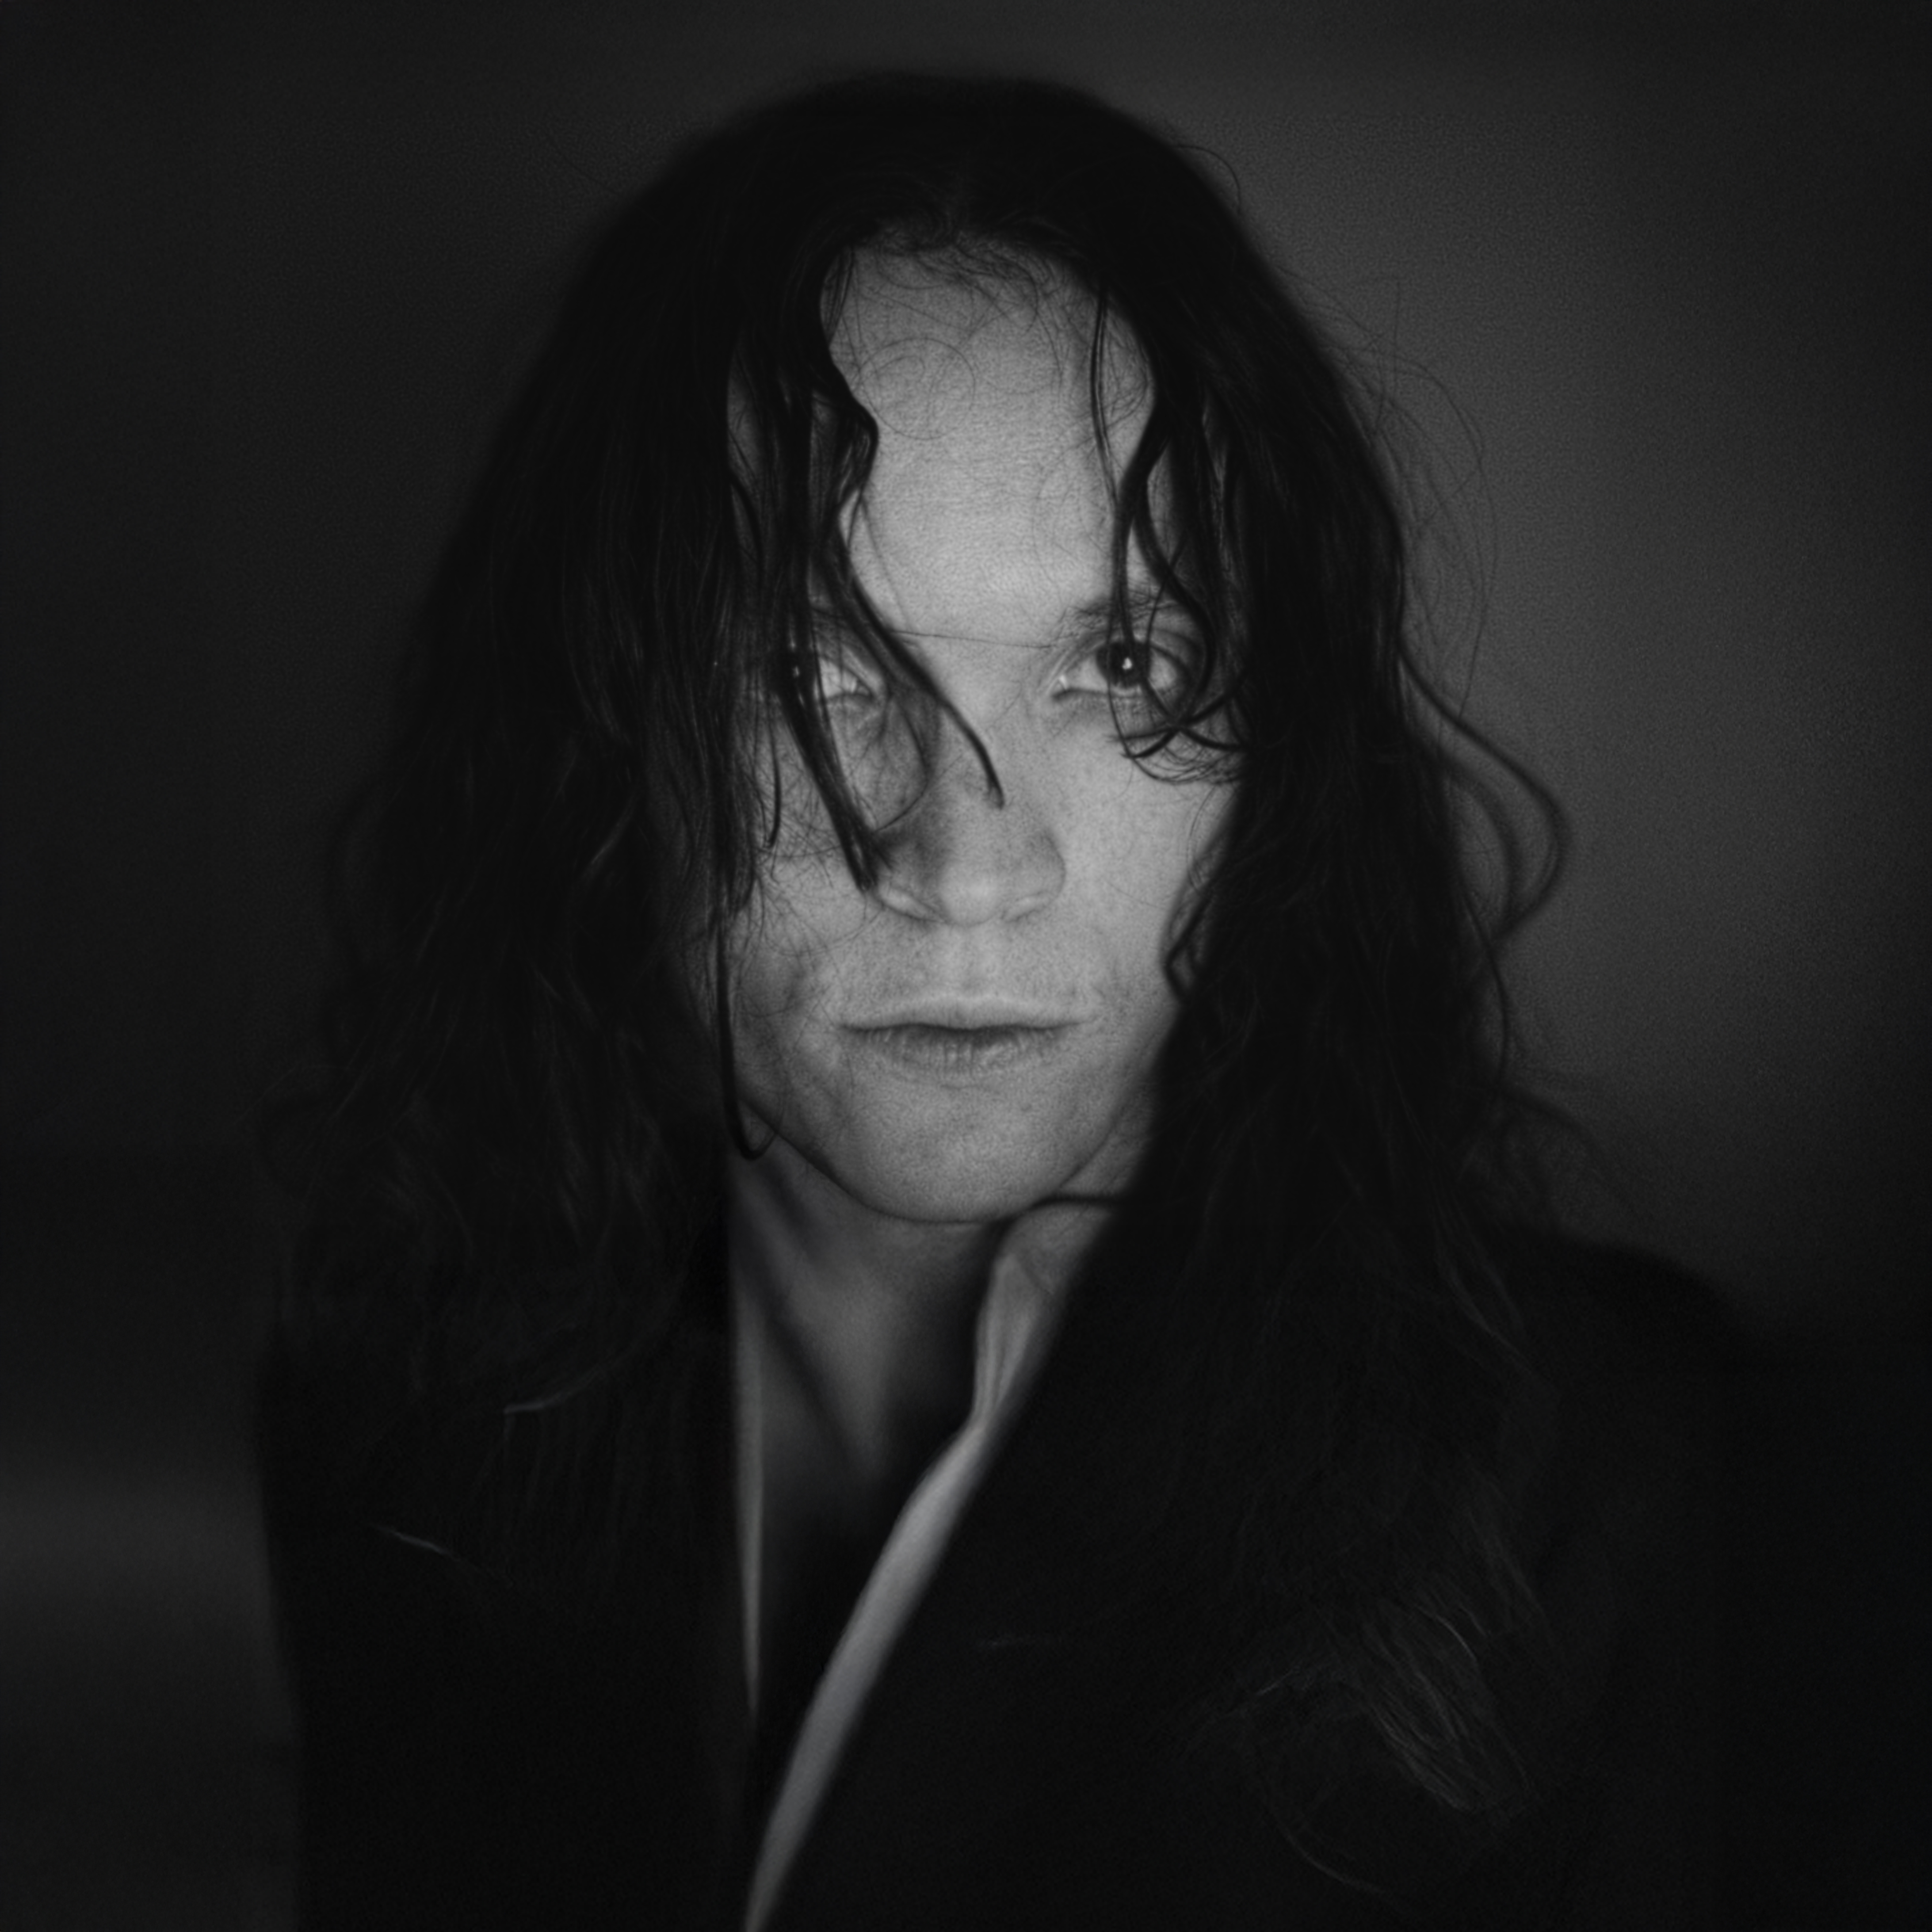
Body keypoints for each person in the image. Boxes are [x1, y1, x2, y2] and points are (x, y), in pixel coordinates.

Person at [261, 72, 1733, 1929]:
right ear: (598, 733)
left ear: (1276, 761)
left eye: (1125, 666)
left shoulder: (1629, 1498)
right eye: (807, 670)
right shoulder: (383, 1432)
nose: (966, 862)